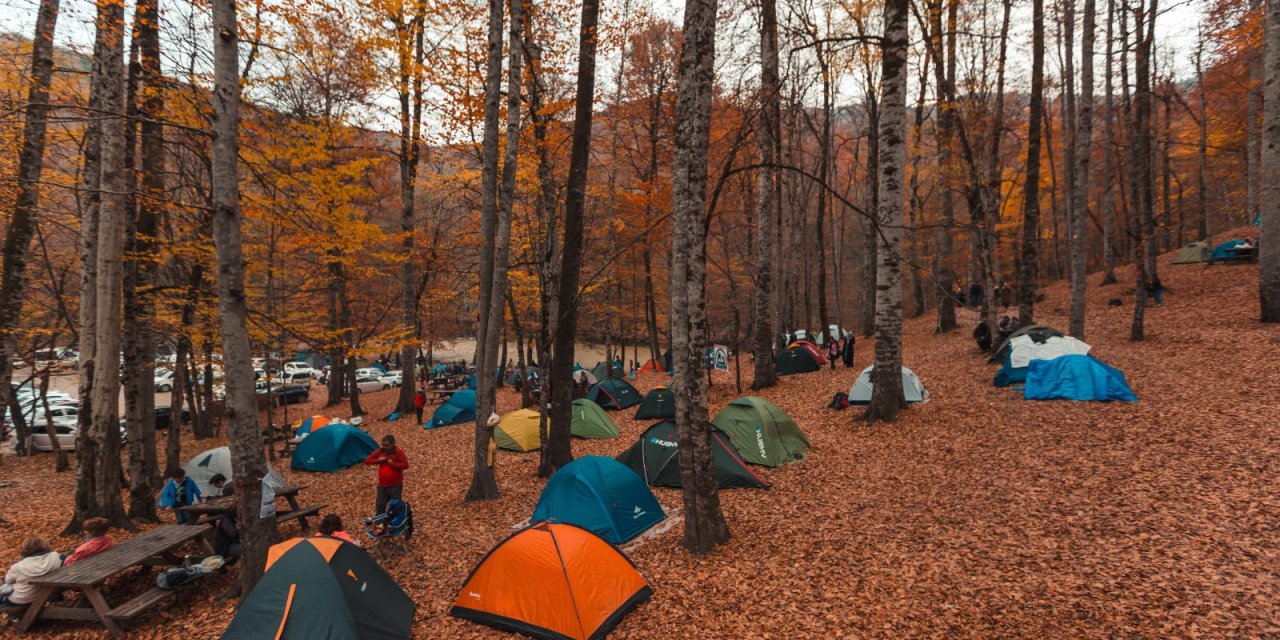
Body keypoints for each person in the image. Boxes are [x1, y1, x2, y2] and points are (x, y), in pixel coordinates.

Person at [2, 536, 62, 606]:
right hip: (47, 595)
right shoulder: (55, 557)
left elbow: (8, 580)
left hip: (22, 599)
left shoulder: (18, 567)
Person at [364, 435, 408, 515]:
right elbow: (367, 460)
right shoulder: (380, 451)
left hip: (395, 485)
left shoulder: (398, 452)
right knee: (380, 506)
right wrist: (378, 460)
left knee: (395, 507)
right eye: (383, 445)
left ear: (392, 444)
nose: (384, 447)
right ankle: (380, 524)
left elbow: (405, 465)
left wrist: (393, 463)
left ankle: (395, 525)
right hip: (382, 485)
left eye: (386, 445)